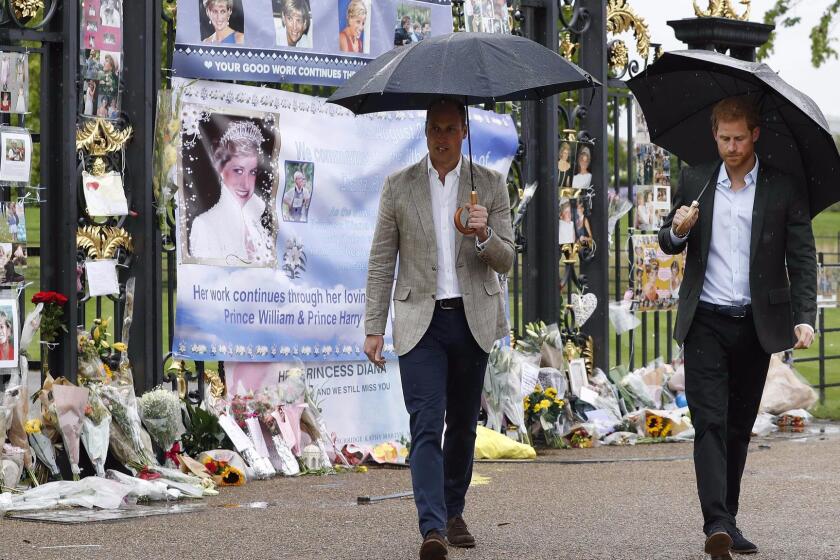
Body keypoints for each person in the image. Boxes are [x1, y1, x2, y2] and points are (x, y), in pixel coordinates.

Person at [658, 96, 816, 559]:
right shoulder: (696, 178)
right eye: (723, 138)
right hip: (705, 318)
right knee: (708, 421)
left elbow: (802, 258)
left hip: (756, 324)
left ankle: (728, 515)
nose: (730, 147)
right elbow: (667, 242)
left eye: (738, 139)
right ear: (714, 135)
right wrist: (680, 230)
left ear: (755, 135)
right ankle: (717, 524)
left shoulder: (782, 187)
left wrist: (804, 316)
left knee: (737, 426)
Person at [363, 97, 514, 560]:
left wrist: (484, 235)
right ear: (425, 132)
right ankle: (431, 527)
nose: (441, 138)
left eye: (450, 129)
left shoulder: (488, 185)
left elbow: (507, 258)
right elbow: (381, 260)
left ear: (464, 132)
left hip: (472, 320)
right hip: (418, 322)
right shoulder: (399, 187)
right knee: (425, 424)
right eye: (434, 129)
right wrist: (373, 326)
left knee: (464, 426)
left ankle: (453, 509)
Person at [189, 120, 275, 266]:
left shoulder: (258, 225)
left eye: (252, 172)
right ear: (221, 169)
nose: (246, 183)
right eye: (238, 171)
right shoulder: (203, 225)